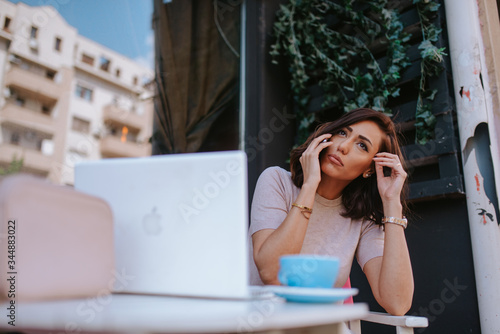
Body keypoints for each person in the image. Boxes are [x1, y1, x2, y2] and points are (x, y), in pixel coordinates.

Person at [248, 108, 414, 316]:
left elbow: (397, 303)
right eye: (343, 133)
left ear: (370, 169)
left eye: (361, 146)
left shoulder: (363, 220)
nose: (343, 147)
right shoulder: (277, 182)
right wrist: (309, 186)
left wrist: (392, 203)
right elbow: (272, 273)